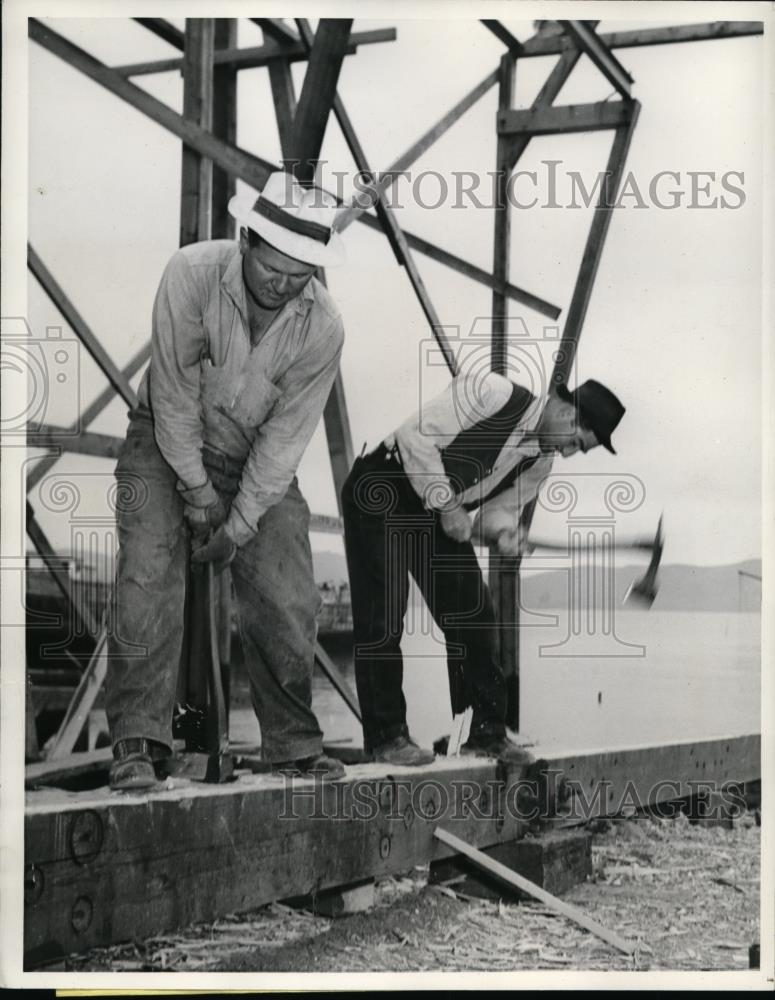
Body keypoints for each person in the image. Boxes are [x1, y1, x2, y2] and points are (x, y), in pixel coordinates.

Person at [105, 172, 347, 789]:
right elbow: (177, 399)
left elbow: (285, 441)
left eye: (301, 277)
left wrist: (236, 528)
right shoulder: (189, 275)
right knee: (147, 572)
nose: (283, 285)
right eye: (274, 268)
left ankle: (293, 744)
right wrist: (198, 496)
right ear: (246, 239)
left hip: (253, 460)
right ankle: (138, 743)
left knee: (290, 589)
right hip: (163, 439)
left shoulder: (323, 329)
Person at [342, 370, 625, 766]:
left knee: (474, 615)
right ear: (566, 413)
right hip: (383, 485)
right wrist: (447, 504)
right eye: (576, 443)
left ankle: (482, 733)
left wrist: (506, 532)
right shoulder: (493, 393)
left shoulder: (540, 464)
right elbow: (414, 438)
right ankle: (386, 737)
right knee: (384, 615)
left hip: (434, 509)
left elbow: (498, 511)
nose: (568, 453)